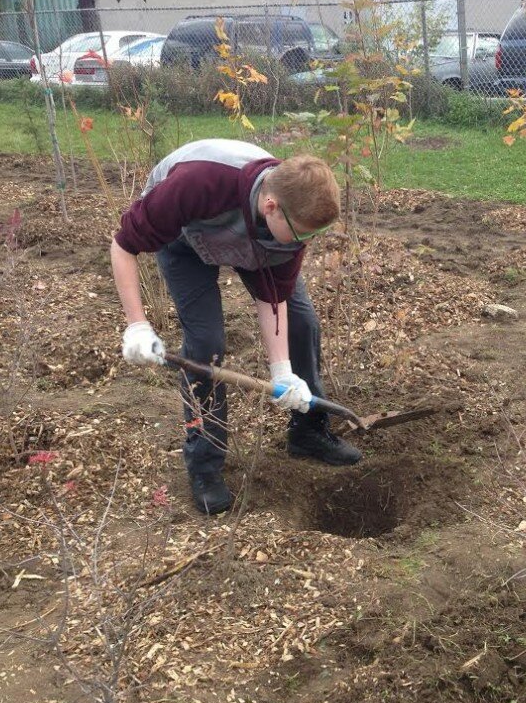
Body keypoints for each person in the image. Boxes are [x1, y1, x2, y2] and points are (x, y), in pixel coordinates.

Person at [110, 139, 361, 516]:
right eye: (302, 235)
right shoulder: (199, 182)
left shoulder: (292, 221)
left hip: (258, 241)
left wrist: (283, 373)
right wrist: (137, 324)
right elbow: (123, 245)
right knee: (206, 342)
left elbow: (273, 298)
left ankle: (308, 433)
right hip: (186, 239)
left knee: (302, 323)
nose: (306, 244)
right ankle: (205, 466)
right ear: (271, 206)